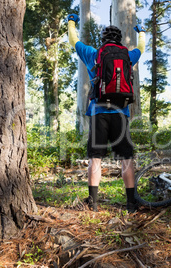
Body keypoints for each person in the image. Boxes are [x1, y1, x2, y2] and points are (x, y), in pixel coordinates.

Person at [67, 14, 146, 213]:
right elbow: (142, 48)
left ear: (102, 40)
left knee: (96, 158)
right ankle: (131, 203)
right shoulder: (128, 56)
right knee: (126, 157)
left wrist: (71, 22)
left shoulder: (93, 53)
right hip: (121, 112)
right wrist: (142, 32)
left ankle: (93, 203)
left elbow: (73, 40)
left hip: (98, 112)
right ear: (119, 40)